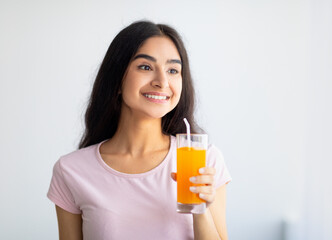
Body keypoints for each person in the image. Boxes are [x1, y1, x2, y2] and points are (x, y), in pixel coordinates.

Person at [47, 20, 232, 240]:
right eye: (145, 67)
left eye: (173, 70)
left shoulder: (205, 161)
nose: (162, 82)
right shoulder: (71, 170)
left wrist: (200, 209)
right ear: (117, 80)